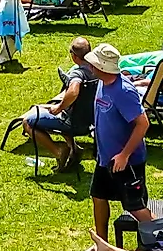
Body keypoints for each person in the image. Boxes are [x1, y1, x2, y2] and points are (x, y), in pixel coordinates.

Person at [85, 43, 149, 239]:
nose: (90, 66)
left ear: (102, 67)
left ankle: (162, 241)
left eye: (93, 64)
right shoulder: (101, 83)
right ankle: (102, 244)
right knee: (98, 196)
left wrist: (124, 155)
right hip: (105, 158)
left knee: (135, 207)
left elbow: (143, 124)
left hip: (125, 162)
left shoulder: (124, 91)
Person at [15, 37, 101, 169]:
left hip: (72, 122)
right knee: (39, 107)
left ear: (74, 56)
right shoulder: (97, 70)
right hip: (90, 121)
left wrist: (59, 108)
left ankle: (59, 152)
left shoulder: (78, 74)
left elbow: (73, 92)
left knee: (27, 122)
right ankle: (74, 149)